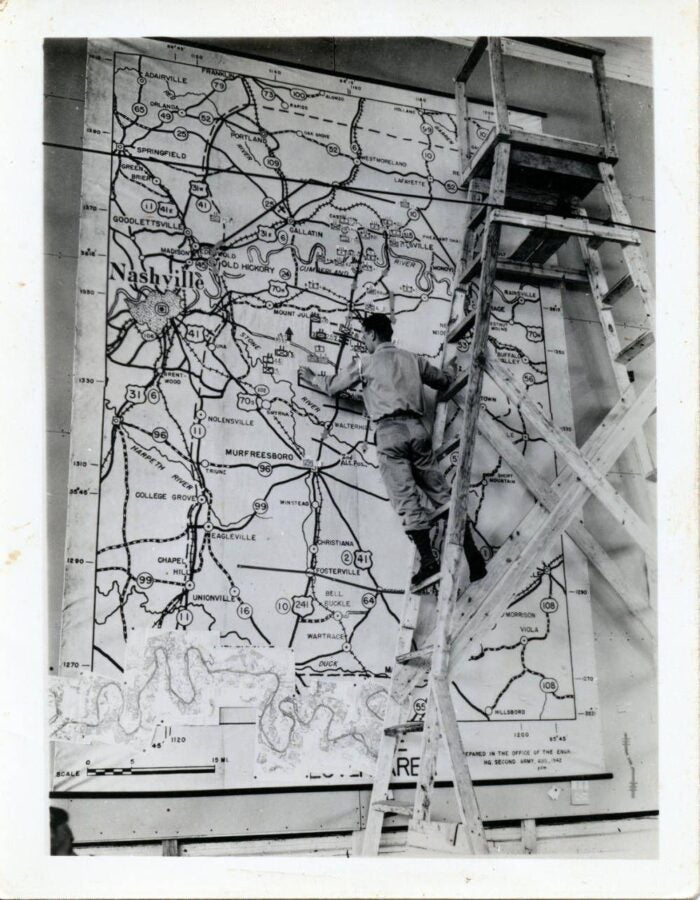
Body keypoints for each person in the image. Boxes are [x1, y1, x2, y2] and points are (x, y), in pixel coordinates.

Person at [299, 311, 486, 588]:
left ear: (373, 334)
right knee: (442, 494)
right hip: (418, 430)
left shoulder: (365, 363)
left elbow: (333, 388)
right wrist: (451, 370)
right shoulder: (413, 359)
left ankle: (428, 561)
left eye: (363, 335)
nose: (363, 341)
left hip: (390, 434)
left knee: (405, 498)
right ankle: (473, 555)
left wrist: (313, 377)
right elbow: (443, 381)